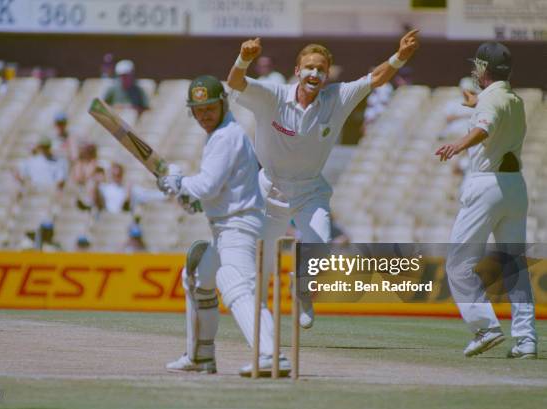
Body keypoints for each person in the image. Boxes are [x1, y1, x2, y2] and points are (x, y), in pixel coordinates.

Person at [227, 31, 420, 329]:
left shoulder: (337, 97)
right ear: (297, 71)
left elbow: (377, 78)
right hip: (269, 188)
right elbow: (236, 83)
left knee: (320, 243)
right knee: (261, 259)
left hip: (309, 188)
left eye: (321, 69)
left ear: (327, 75)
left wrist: (400, 56)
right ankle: (259, 318)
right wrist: (244, 59)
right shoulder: (273, 95)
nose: (314, 73)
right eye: (309, 67)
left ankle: (302, 290)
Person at [158, 75, 288, 377]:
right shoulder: (220, 134)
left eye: (209, 108)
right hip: (226, 224)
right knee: (197, 277)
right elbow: (214, 192)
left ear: (222, 103)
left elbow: (206, 185)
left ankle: (272, 355)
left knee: (235, 283)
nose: (204, 115)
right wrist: (189, 195)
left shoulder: (226, 135)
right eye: (198, 110)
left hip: (239, 225)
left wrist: (179, 183)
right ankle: (201, 356)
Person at [435, 42, 536, 359]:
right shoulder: (513, 98)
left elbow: (484, 126)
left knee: (458, 264)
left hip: (486, 183)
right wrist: (475, 103)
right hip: (515, 187)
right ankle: (526, 339)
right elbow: (492, 109)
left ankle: (486, 327)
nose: (474, 71)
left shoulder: (490, 101)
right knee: (514, 266)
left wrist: (458, 145)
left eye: (476, 66)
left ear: (482, 68)